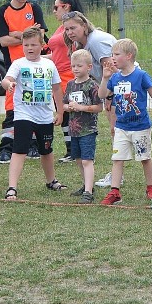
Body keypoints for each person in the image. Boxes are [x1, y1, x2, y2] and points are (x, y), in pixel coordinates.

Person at [1, 28, 65, 201]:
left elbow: (57, 88)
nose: (29, 48)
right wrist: (8, 84)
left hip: (44, 116)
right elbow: (7, 79)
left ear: (42, 46)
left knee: (46, 150)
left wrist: (60, 111)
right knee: (19, 149)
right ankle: (12, 187)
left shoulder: (49, 65)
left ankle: (51, 181)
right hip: (24, 115)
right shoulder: (19, 64)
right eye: (26, 45)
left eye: (33, 45)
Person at [98, 38, 152, 206]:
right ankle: (115, 191)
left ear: (129, 56)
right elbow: (102, 95)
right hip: (122, 127)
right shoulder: (115, 78)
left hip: (140, 126)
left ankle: (151, 188)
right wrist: (105, 78)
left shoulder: (141, 75)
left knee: (145, 157)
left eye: (116, 54)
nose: (112, 58)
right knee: (117, 159)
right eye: (112, 54)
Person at [59, 11, 119, 188]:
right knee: (117, 132)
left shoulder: (94, 41)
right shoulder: (83, 44)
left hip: (119, 91)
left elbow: (113, 69)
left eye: (73, 27)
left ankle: (117, 176)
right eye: (67, 29)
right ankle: (117, 174)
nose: (70, 32)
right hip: (110, 91)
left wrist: (109, 95)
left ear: (84, 26)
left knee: (118, 132)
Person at [0, 0, 48, 164]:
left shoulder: (35, 9)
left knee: (33, 104)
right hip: (13, 66)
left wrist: (17, 34)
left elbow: (39, 35)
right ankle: (6, 148)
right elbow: (3, 40)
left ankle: (33, 146)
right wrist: (27, 33)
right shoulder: (3, 11)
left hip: (35, 65)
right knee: (12, 106)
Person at [62, 49, 102, 204]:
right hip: (74, 129)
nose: (76, 69)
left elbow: (98, 107)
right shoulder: (71, 85)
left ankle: (88, 193)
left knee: (87, 160)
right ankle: (87, 185)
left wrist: (81, 108)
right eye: (73, 66)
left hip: (88, 129)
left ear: (89, 67)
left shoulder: (92, 85)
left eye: (79, 66)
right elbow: (64, 104)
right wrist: (69, 108)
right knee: (78, 159)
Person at [49, 0, 85, 163]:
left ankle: (74, 149)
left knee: (69, 112)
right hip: (58, 74)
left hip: (68, 74)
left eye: (56, 7)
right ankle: (71, 149)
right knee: (63, 112)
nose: (54, 11)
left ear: (66, 7)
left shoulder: (72, 29)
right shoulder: (60, 28)